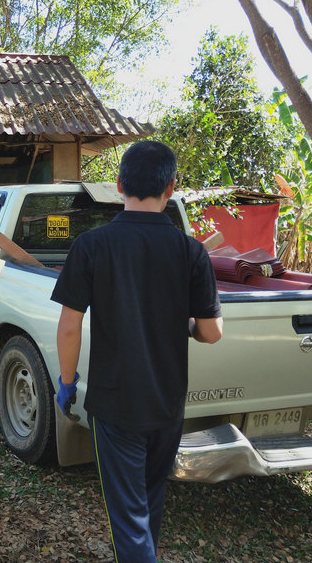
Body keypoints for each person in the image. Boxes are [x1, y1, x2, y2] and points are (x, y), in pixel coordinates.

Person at [51, 140, 223, 563]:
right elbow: (212, 332)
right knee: (149, 497)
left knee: (128, 517)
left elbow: (69, 327)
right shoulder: (191, 251)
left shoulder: (92, 245)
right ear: (171, 187)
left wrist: (67, 383)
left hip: (115, 405)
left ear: (118, 184)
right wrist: (185, 325)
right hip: (167, 403)